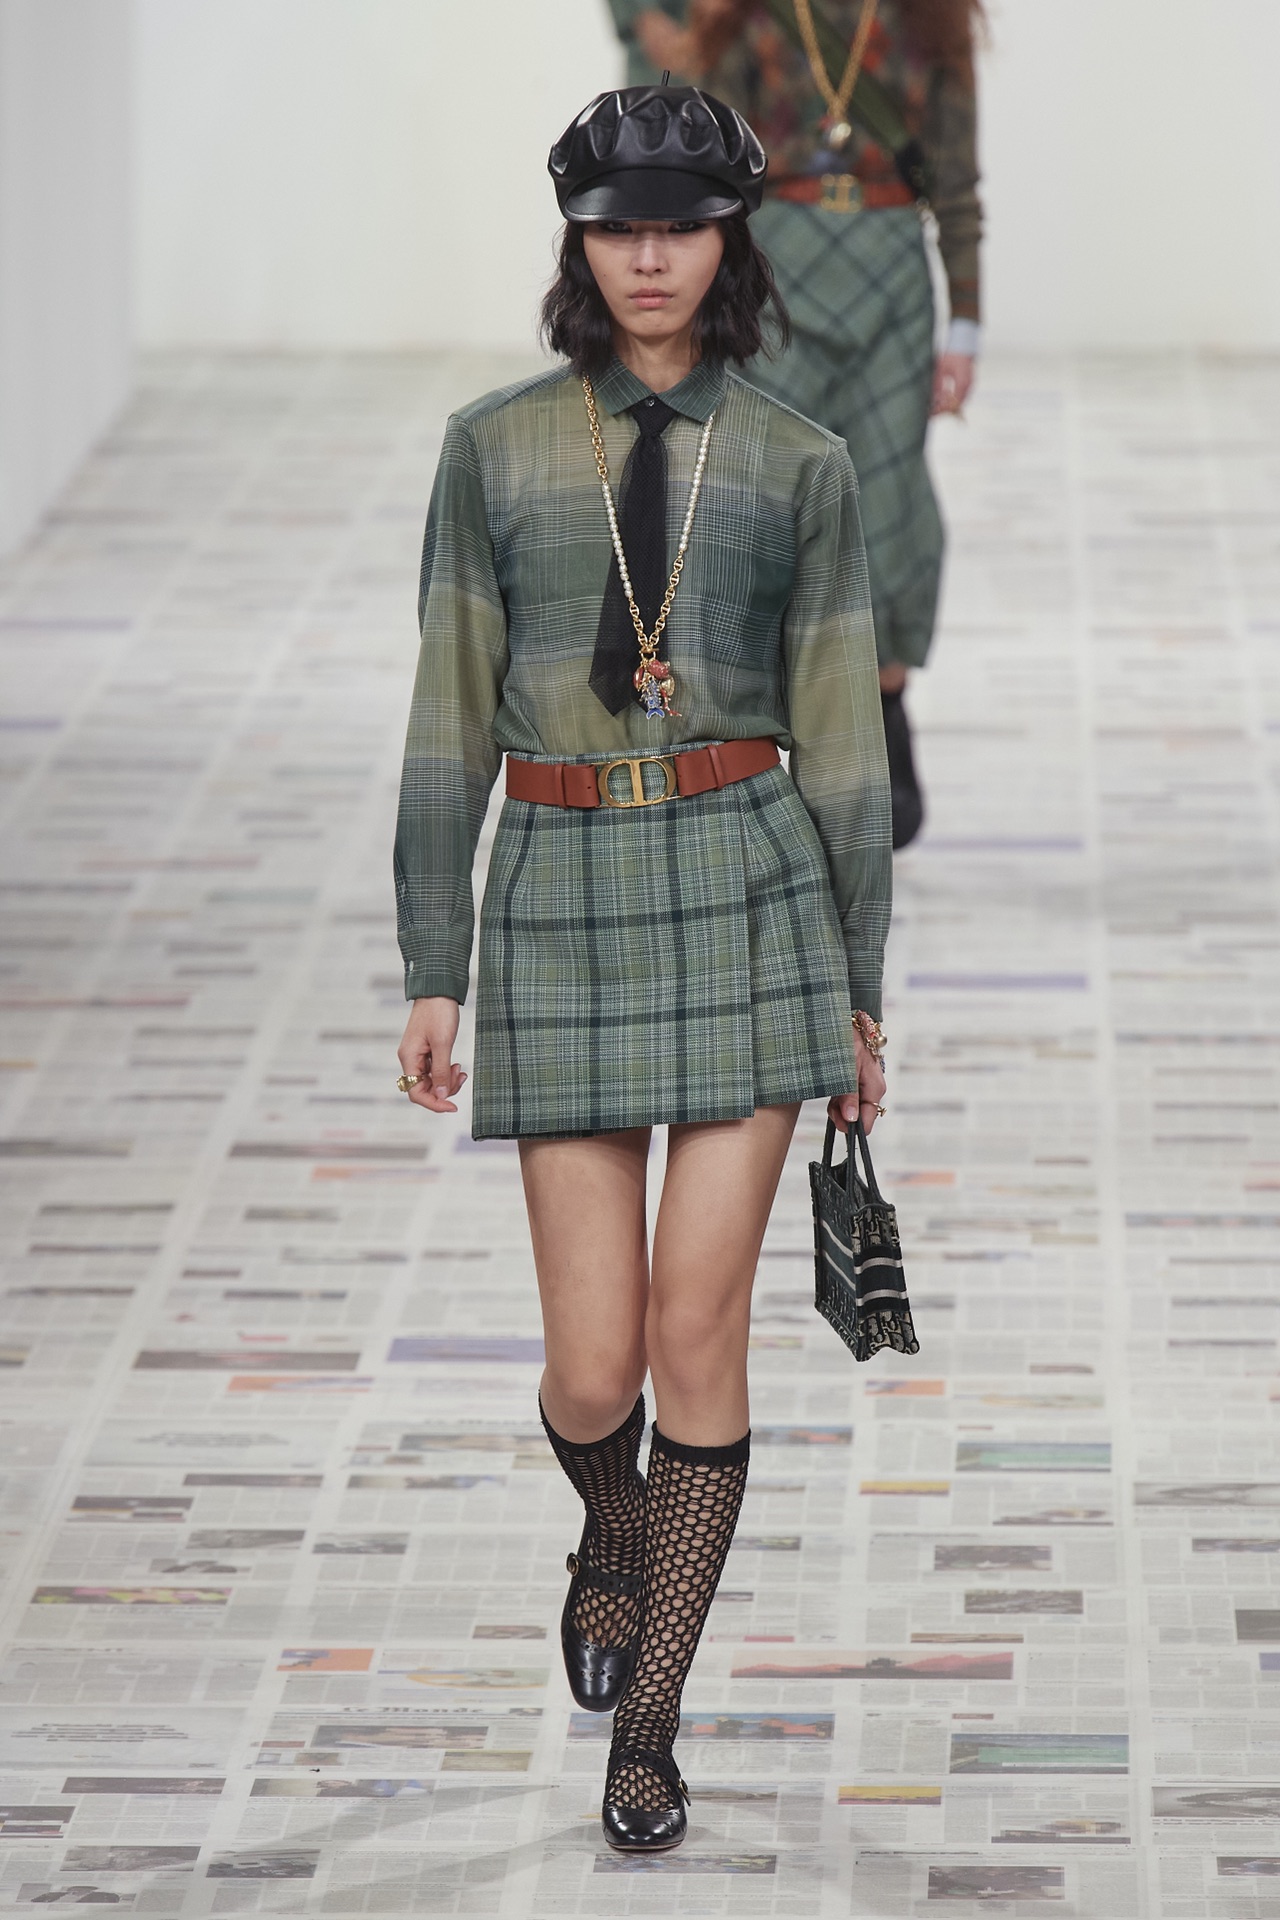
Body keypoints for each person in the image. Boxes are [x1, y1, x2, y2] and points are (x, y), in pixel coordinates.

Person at [393, 83, 889, 1852]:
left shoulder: (803, 463)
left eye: (680, 226)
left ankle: (650, 1728)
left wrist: (860, 992)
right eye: (620, 228)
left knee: (696, 1334)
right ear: (580, 242)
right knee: (594, 1368)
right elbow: (448, 714)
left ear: (728, 239)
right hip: (562, 896)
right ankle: (612, 1525)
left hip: (748, 890)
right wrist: (434, 958)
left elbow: (843, 746)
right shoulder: (496, 450)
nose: (651, 258)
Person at [607, 0, 985, 846]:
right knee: (766, 504)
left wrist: (966, 320)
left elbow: (957, 177)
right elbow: (703, 162)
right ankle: (772, 740)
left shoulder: (932, 17)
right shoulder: (750, 14)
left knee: (889, 503)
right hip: (777, 272)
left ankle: (884, 712)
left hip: (891, 270)